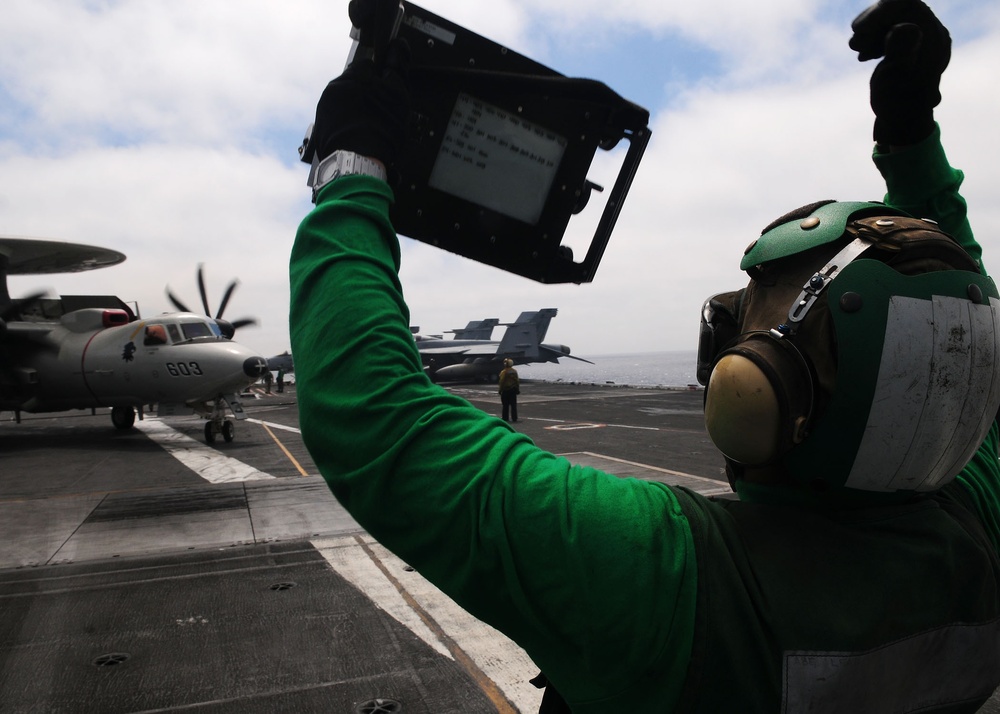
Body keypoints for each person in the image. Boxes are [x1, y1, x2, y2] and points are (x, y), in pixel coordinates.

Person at [289, 1, 1000, 711]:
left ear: (769, 389)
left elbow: (376, 419)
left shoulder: (668, 578)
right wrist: (913, 146)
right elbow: (969, 331)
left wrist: (348, 173)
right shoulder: (977, 530)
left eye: (757, 311)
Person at [498, 357, 520, 422]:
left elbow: (501, 381)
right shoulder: (514, 371)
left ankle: (505, 418)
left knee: (505, 405)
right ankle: (514, 418)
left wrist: (500, 390)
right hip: (513, 390)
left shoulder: (504, 372)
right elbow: (517, 381)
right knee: (513, 405)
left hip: (506, 390)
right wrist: (517, 389)